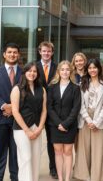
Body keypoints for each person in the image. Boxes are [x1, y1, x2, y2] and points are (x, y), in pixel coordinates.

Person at [0, 43, 21, 181]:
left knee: (15, 152)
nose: (12, 54)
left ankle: (15, 177)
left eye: (15, 52)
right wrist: (3, 106)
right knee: (0, 151)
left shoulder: (25, 73)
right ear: (4, 54)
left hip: (18, 120)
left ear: (18, 54)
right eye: (10, 52)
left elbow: (27, 94)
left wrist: (13, 108)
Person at [11, 62, 47, 181]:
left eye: (35, 71)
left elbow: (44, 110)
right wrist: (27, 130)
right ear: (24, 72)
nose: (32, 73)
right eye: (29, 71)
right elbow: (15, 111)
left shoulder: (41, 89)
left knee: (36, 158)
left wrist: (40, 128)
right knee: (26, 158)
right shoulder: (17, 89)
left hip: (36, 128)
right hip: (22, 129)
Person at [73, 58, 103, 181]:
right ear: (87, 70)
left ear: (99, 68)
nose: (92, 70)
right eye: (90, 68)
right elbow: (80, 105)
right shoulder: (82, 84)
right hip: (85, 120)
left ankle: (97, 176)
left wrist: (96, 122)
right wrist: (89, 120)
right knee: (84, 150)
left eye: (94, 67)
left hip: (99, 121)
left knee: (98, 150)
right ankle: (83, 174)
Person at [47, 60, 81, 181]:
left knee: (67, 151)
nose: (65, 72)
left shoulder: (76, 88)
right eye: (62, 69)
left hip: (70, 125)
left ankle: (67, 178)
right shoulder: (51, 87)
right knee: (57, 151)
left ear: (71, 72)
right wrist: (58, 123)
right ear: (58, 71)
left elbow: (76, 108)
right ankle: (60, 178)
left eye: (67, 69)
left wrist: (65, 124)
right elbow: (49, 107)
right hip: (54, 125)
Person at [36, 41, 58, 179]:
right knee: (34, 140)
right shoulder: (34, 67)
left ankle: (53, 168)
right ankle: (32, 168)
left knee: (51, 141)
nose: (46, 53)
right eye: (44, 51)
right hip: (36, 110)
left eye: (49, 51)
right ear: (40, 52)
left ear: (52, 53)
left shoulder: (57, 68)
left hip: (52, 110)